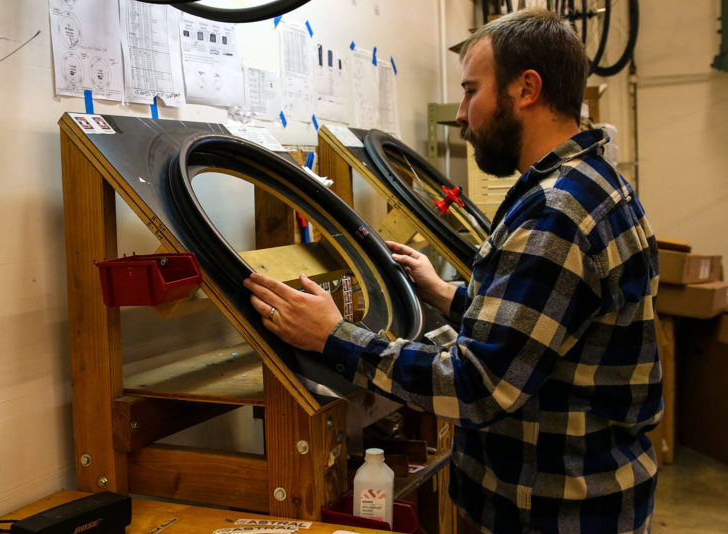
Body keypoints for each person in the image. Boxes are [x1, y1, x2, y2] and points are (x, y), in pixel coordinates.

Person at [243, 8, 661, 533]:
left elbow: (477, 387)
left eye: (471, 90)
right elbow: (550, 327)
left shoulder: (557, 213)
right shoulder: (594, 183)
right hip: (588, 496)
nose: (461, 113)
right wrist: (449, 296)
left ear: (527, 88)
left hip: (555, 513)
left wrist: (334, 337)